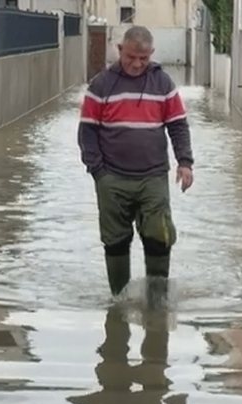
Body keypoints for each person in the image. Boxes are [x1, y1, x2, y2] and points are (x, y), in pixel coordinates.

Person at [78, 26, 194, 298]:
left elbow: (178, 126)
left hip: (153, 177)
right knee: (115, 241)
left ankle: (157, 302)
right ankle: (118, 302)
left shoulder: (163, 84)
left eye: (143, 58)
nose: (137, 64)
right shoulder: (101, 85)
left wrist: (185, 163)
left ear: (151, 54)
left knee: (159, 237)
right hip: (111, 179)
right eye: (131, 57)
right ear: (120, 51)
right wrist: (98, 171)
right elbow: (87, 131)